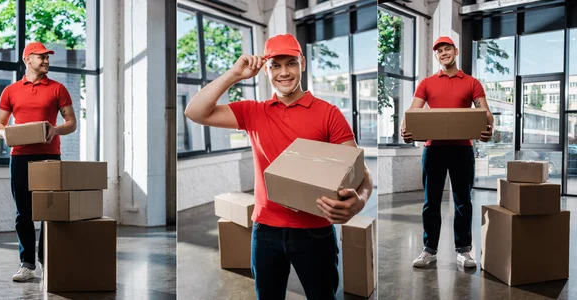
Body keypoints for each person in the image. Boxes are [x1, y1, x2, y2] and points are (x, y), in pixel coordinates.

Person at [184, 33, 373, 299]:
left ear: (302, 64)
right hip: (265, 231)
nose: (284, 73)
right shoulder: (253, 112)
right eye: (275, 65)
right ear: (265, 70)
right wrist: (234, 74)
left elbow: (360, 172)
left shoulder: (328, 113)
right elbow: (195, 112)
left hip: (315, 231)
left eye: (291, 63)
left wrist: (360, 201)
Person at [401, 36, 493, 268]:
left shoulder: (471, 82)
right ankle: (429, 250)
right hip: (434, 150)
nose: (443, 53)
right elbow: (413, 113)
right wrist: (406, 128)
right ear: (436, 56)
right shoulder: (427, 83)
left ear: (456, 51)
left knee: (463, 201)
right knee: (430, 202)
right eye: (439, 50)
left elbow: (486, 113)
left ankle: (464, 251)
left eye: (447, 49)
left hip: (463, 149)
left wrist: (488, 128)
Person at [0, 42, 77, 281]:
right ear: (27, 59)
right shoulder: (10, 91)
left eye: (48, 58)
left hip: (49, 156)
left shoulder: (58, 89)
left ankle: (47, 261)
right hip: (19, 156)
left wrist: (55, 129)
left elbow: (71, 123)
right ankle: (27, 264)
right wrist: (6, 134)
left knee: (50, 211)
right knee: (24, 212)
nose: (46, 61)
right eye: (41, 57)